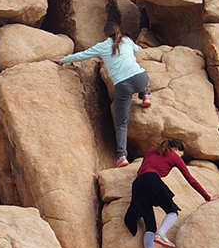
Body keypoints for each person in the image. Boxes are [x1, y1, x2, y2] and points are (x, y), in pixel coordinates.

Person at [51, 22, 151, 168]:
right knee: (139, 75)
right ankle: (146, 95)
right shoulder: (126, 40)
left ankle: (122, 156)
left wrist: (62, 60)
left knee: (122, 124)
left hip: (123, 86)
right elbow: (138, 50)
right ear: (119, 31)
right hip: (141, 78)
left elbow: (81, 55)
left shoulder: (102, 46)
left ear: (104, 34)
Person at [123, 139, 219, 248]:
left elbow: (140, 170)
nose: (179, 157)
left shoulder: (151, 150)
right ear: (176, 149)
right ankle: (161, 234)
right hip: (152, 179)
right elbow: (190, 179)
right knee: (172, 211)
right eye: (181, 155)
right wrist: (207, 197)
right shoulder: (173, 156)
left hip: (138, 184)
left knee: (149, 224)